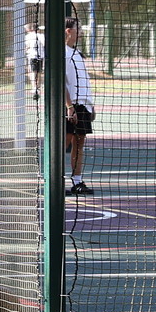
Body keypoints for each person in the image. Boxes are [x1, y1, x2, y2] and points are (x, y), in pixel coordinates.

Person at [63, 17, 95, 196]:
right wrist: (69, 106)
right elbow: (62, 84)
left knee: (79, 143)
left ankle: (77, 181)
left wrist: (90, 105)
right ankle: (56, 180)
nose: (81, 31)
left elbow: (83, 81)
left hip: (83, 105)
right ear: (69, 31)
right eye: (78, 28)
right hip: (71, 105)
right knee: (64, 143)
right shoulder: (61, 53)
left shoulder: (76, 53)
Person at [25, 23, 46, 100]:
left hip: (32, 56)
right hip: (40, 56)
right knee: (39, 72)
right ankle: (37, 87)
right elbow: (44, 45)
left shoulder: (29, 36)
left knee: (33, 72)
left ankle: (34, 87)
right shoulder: (41, 36)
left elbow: (26, 46)